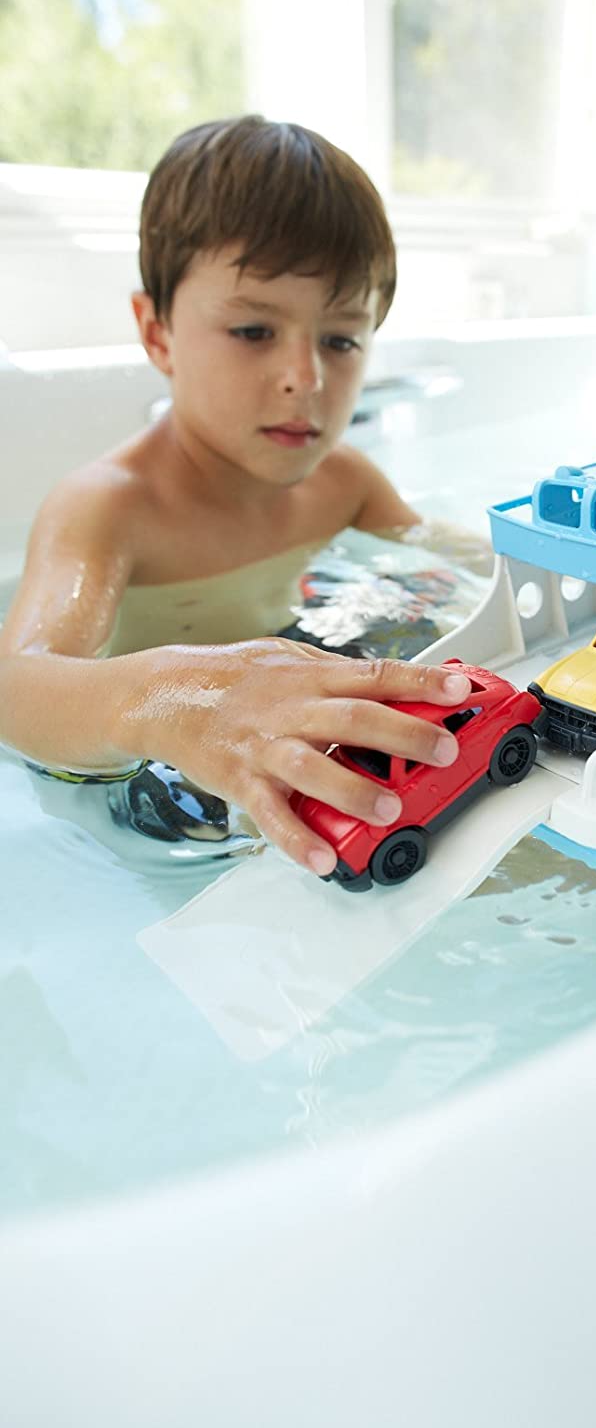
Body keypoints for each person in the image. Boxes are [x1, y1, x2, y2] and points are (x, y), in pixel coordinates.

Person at [0, 115, 478, 877]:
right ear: (157, 333)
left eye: (341, 339)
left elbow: (460, 565)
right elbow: (18, 687)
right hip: (154, 771)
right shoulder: (109, 508)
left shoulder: (346, 483)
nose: (307, 379)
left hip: (296, 667)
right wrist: (171, 699)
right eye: (255, 330)